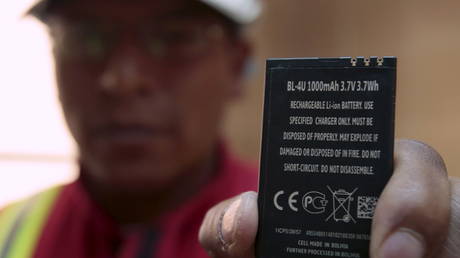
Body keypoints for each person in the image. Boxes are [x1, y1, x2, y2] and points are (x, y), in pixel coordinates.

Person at [0, 0, 458, 258]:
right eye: (85, 37)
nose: (121, 79)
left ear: (237, 66)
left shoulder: (305, 235)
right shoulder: (8, 231)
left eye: (175, 37)